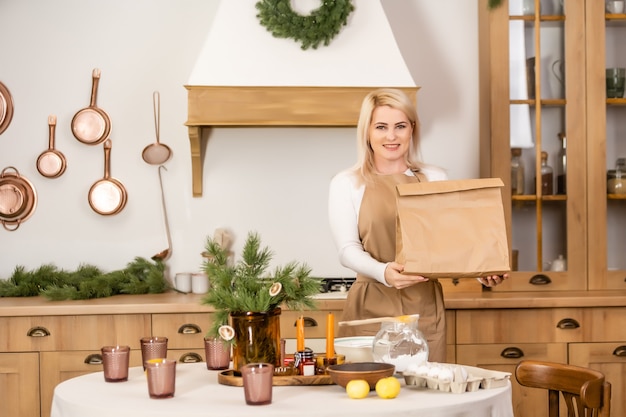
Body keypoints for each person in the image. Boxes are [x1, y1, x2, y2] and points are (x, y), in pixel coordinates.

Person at [328, 88, 508, 363]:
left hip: (424, 306)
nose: (391, 136)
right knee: (368, 396)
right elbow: (347, 249)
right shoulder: (347, 182)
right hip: (370, 303)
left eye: (400, 126)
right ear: (367, 132)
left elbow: (451, 244)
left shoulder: (435, 178)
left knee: (424, 393)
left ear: (412, 129)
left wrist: (480, 269)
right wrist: (383, 271)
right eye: (381, 127)